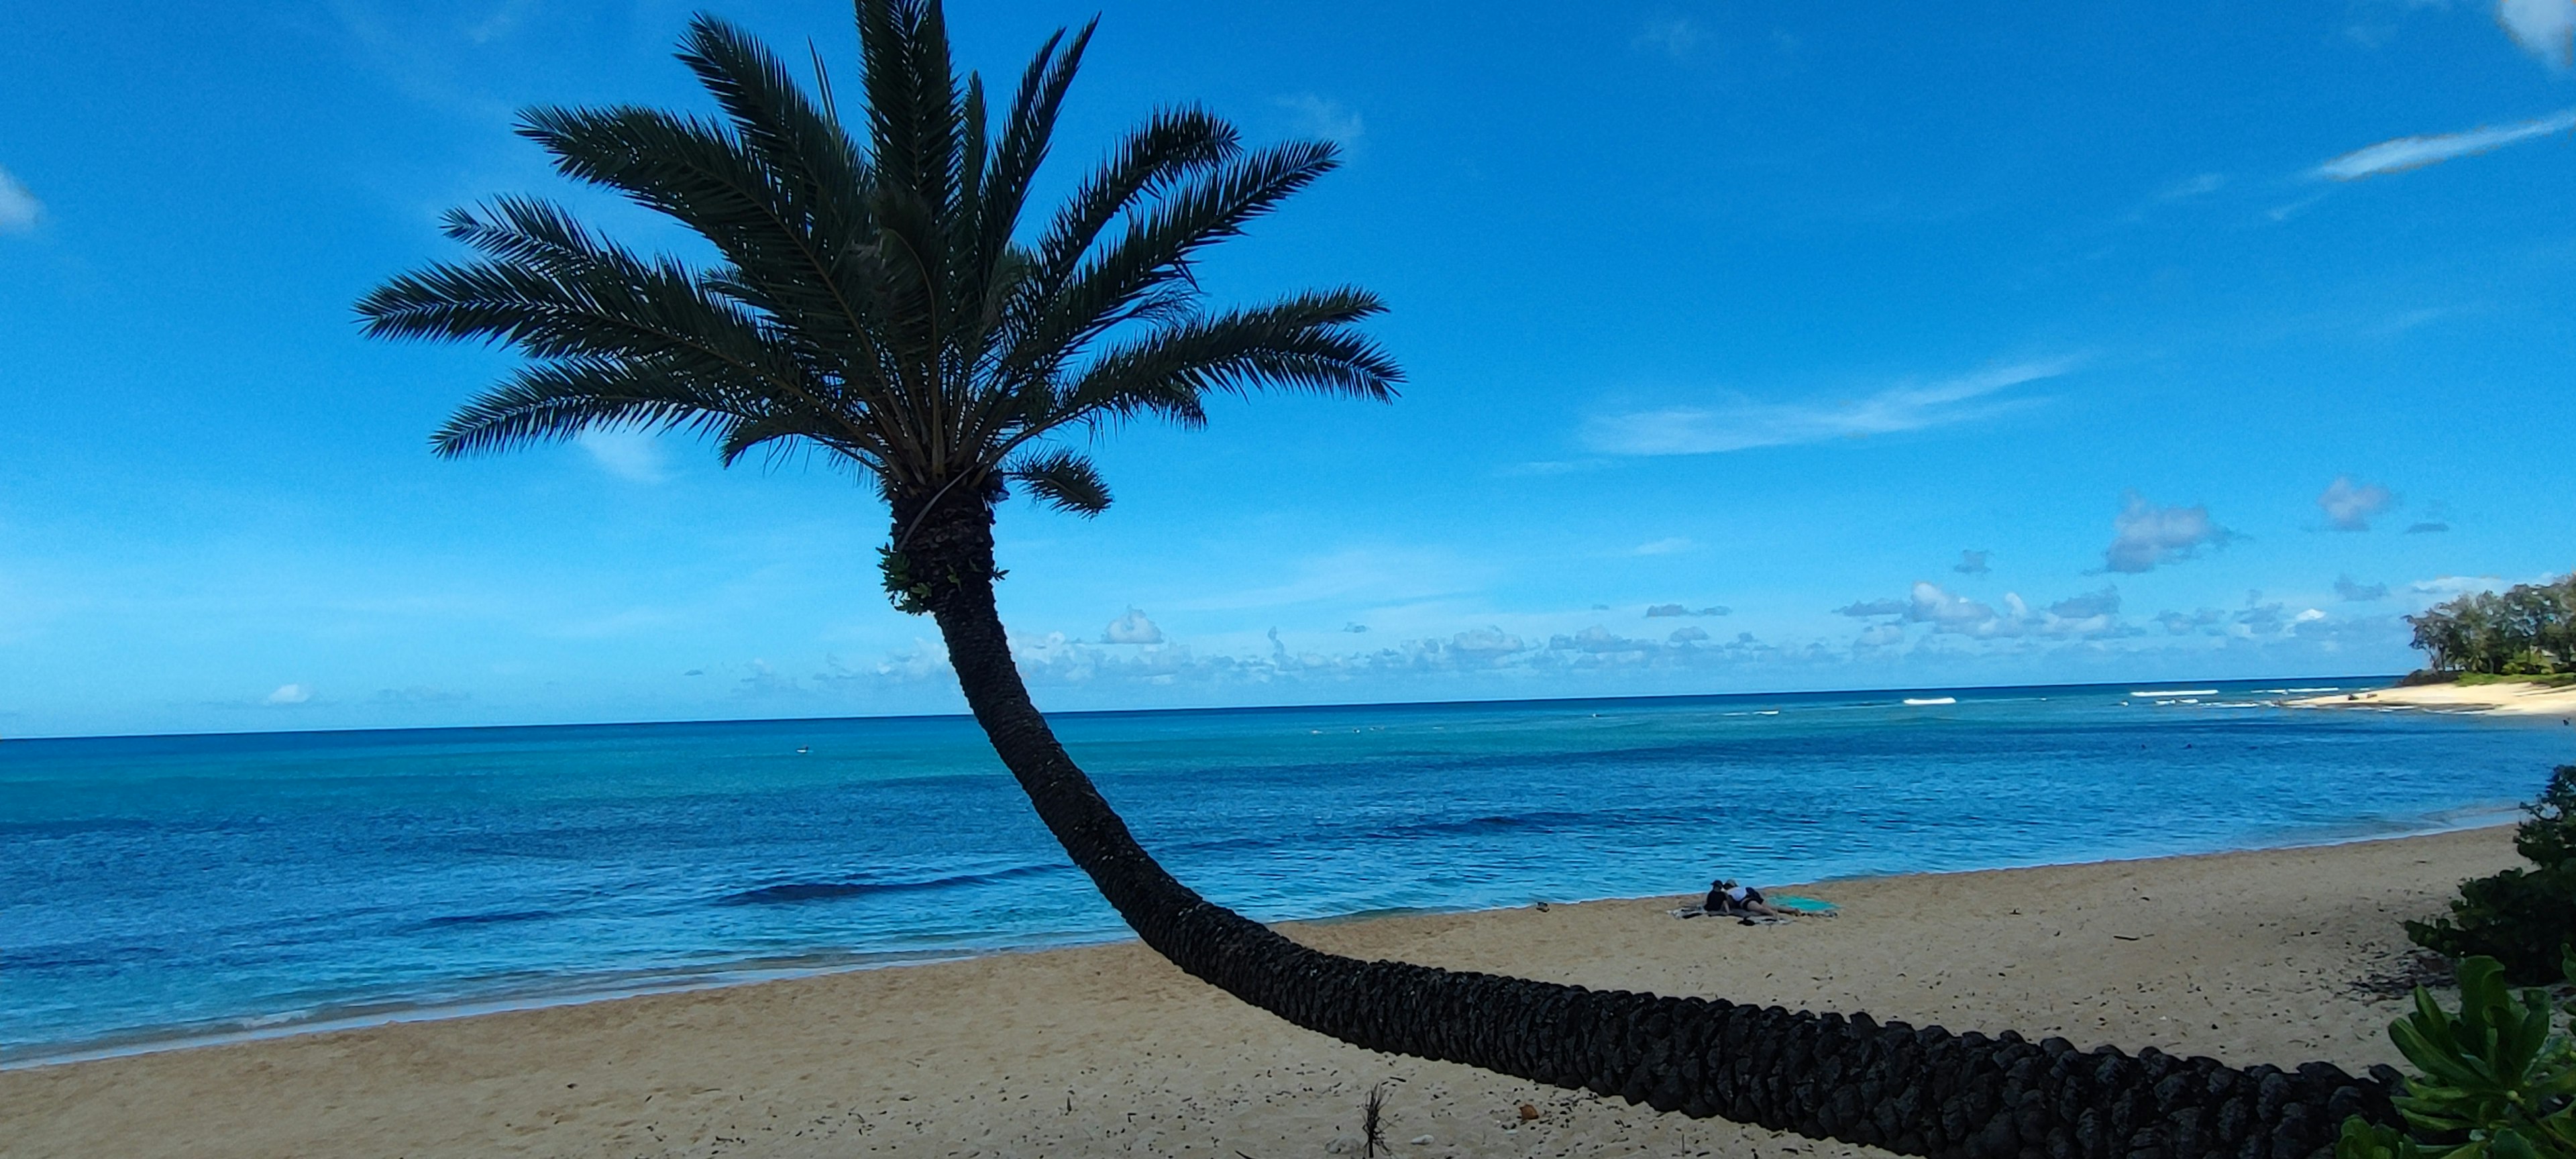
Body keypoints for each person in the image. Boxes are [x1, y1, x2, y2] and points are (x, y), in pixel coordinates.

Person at [1704, 879, 1786, 918]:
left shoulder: (1728, 893)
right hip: (1752, 894)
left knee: (1761, 909)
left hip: (1746, 901)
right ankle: (1792, 910)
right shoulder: (1740, 889)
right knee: (1769, 907)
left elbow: (1727, 902)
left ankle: (1773, 914)